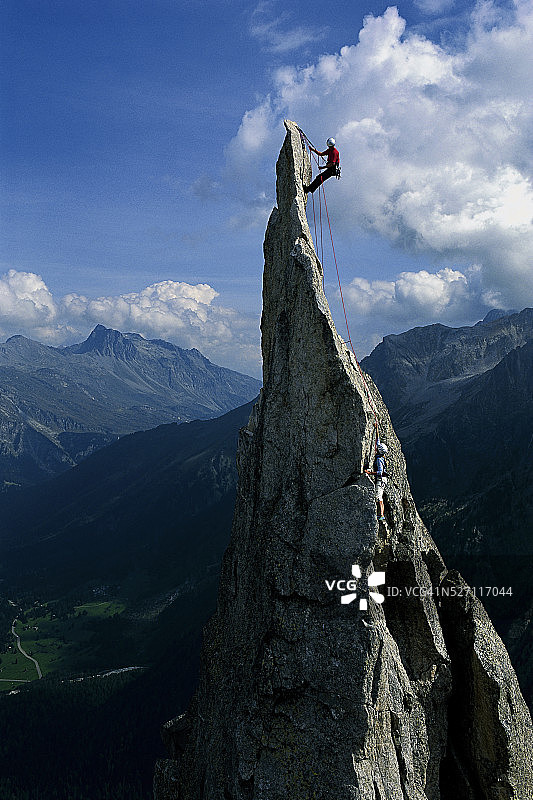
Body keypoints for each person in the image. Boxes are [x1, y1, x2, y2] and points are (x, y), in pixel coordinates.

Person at [364, 425, 388, 522]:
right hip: (383, 479)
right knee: (379, 496)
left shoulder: (378, 460)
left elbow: (380, 472)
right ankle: (380, 514)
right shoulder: (381, 456)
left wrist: (369, 473)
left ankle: (381, 515)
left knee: (378, 497)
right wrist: (376, 429)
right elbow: (377, 442)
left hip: (381, 479)